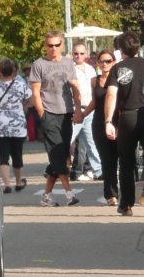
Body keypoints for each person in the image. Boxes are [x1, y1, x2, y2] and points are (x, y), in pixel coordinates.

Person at [30, 30, 83, 207]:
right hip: (49, 112)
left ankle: (46, 196)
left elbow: (74, 88)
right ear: (45, 45)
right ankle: (69, 193)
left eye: (57, 45)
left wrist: (77, 109)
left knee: (61, 153)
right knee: (57, 153)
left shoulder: (68, 63)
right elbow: (36, 93)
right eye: (50, 45)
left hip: (66, 112)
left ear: (62, 45)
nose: (53, 48)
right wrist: (42, 114)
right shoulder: (39, 64)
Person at [103, 31, 144, 216]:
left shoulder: (118, 69)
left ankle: (126, 204)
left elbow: (111, 95)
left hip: (126, 116)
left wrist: (108, 121)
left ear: (120, 50)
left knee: (126, 163)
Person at [0, 58, 32, 193]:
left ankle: (6, 184)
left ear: (0, 71)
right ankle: (18, 181)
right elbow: (31, 100)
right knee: (17, 153)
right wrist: (23, 106)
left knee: (3, 155)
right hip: (18, 124)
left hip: (0, 124)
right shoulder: (21, 85)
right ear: (14, 70)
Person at [81, 49, 118, 206]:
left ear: (114, 62)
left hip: (116, 122)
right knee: (106, 159)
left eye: (108, 61)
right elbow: (95, 101)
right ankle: (111, 194)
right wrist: (82, 115)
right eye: (102, 61)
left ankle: (122, 190)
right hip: (98, 123)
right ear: (97, 63)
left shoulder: (118, 79)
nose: (104, 64)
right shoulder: (94, 80)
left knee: (118, 158)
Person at [69, 43, 102, 181]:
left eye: (82, 53)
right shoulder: (69, 68)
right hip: (75, 109)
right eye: (76, 53)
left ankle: (99, 170)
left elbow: (94, 89)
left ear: (86, 54)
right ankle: (54, 168)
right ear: (72, 54)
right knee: (67, 140)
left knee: (92, 141)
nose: (79, 56)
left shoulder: (90, 69)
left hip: (89, 108)